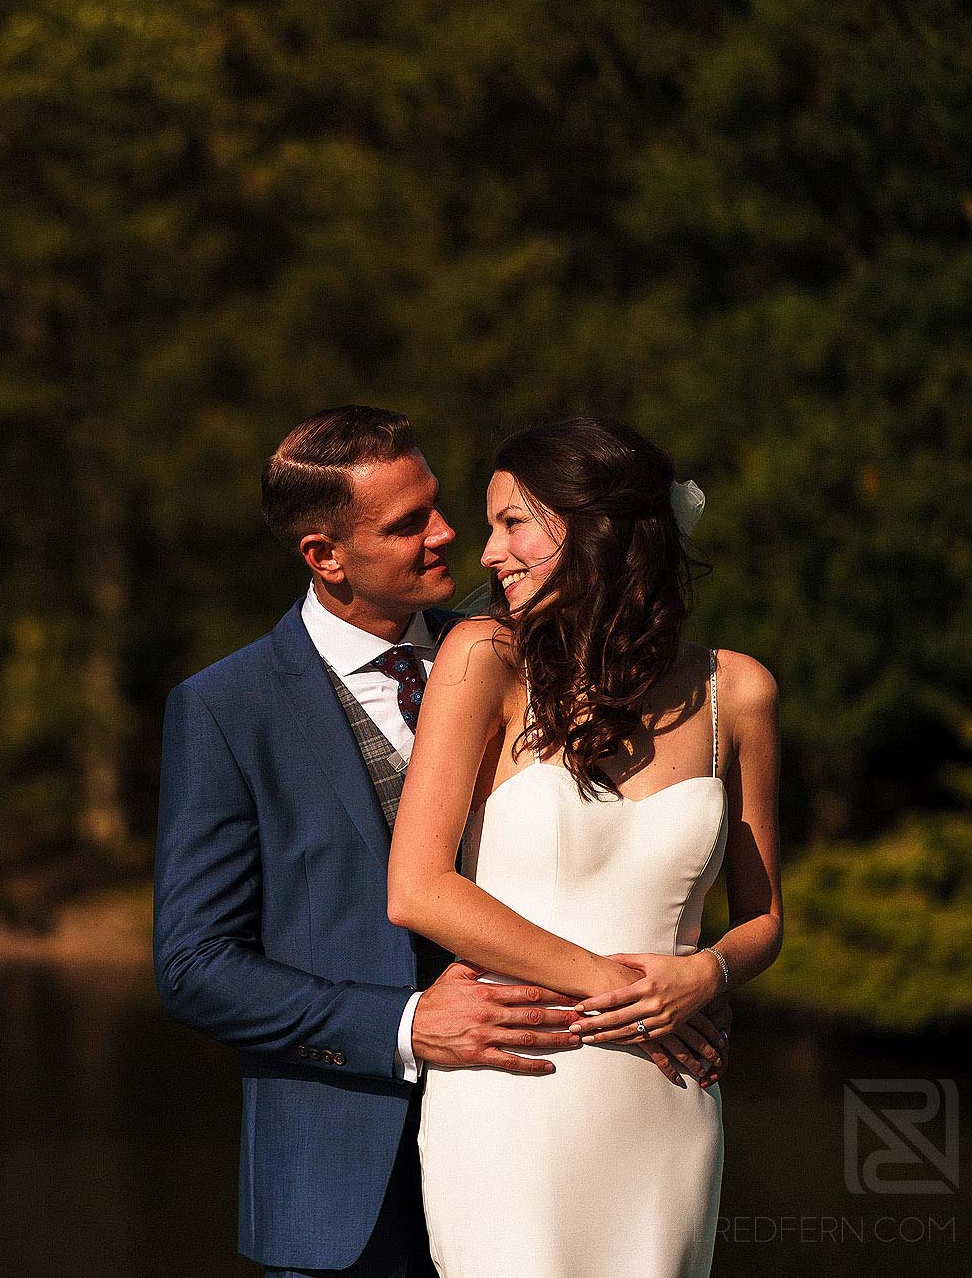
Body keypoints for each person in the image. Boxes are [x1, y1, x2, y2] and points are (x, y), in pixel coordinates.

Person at [153, 407, 730, 1278]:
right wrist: (406, 1022)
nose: (449, 533)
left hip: (558, 1121)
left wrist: (688, 971)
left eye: (437, 503)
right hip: (346, 1182)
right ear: (324, 555)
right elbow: (194, 965)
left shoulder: (543, 651)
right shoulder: (229, 709)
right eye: (408, 522)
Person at [387, 417, 783, 1278]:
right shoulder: (480, 656)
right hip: (517, 1080)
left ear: (596, 527)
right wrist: (623, 988)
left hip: (667, 1094)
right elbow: (417, 888)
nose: (487, 554)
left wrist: (706, 974)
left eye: (513, 523)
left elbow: (762, 918)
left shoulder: (737, 691)